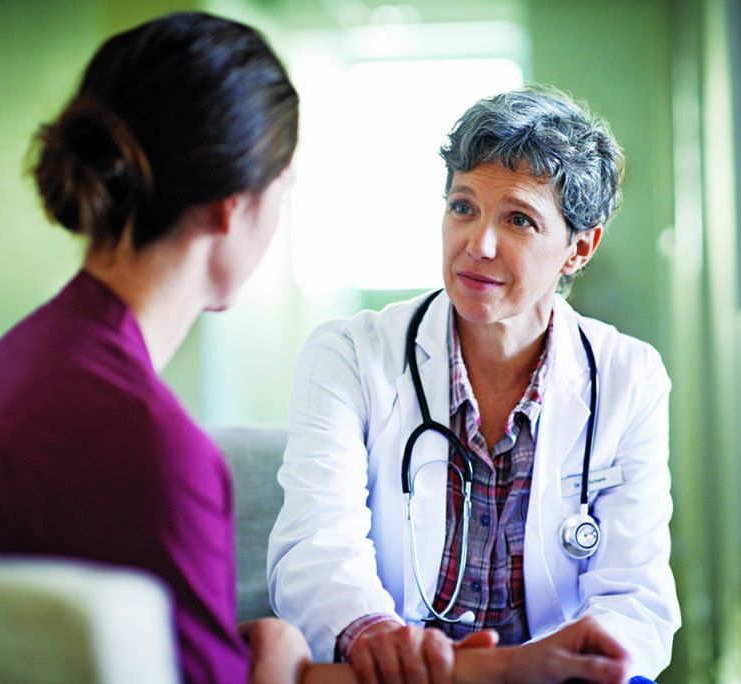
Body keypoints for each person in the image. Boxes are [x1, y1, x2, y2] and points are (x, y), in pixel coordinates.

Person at [0, 14, 630, 684]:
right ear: (231, 207)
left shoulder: (29, 356)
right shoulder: (148, 448)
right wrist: (279, 657)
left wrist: (279, 652)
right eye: (285, 189)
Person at [268, 85, 682, 683]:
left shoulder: (629, 377)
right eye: (463, 206)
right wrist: (375, 634)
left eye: (519, 219)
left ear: (578, 249)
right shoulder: (350, 356)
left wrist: (588, 663)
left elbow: (633, 595)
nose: (477, 244)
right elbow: (314, 549)